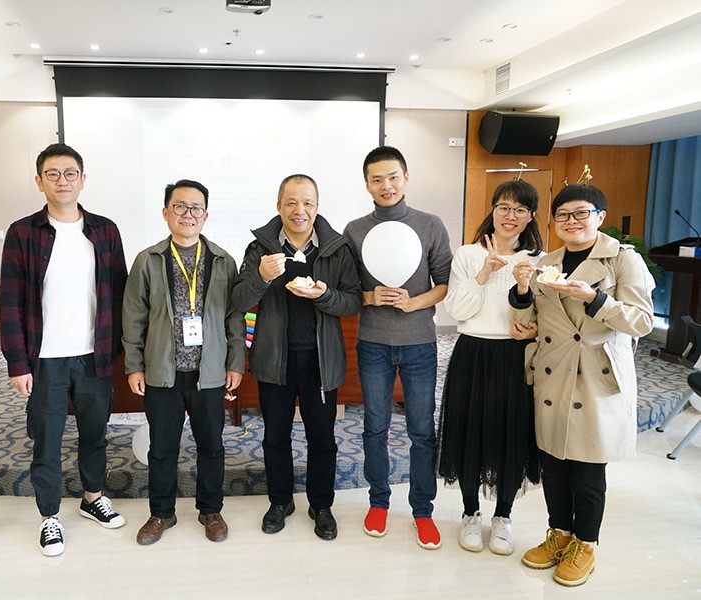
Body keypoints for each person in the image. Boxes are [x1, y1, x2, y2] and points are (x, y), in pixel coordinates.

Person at [510, 184, 654, 586]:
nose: (571, 221)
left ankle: (585, 544)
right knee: (553, 463)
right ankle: (559, 533)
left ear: (600, 216)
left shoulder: (623, 259)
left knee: (588, 467)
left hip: (595, 374)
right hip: (553, 370)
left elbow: (642, 321)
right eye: (563, 215)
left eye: (581, 213)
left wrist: (595, 299)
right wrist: (522, 297)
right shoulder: (547, 262)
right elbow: (532, 316)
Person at [0, 143, 128, 557]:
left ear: (82, 180)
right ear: (39, 182)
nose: (62, 181)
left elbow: (121, 295)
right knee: (47, 439)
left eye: (70, 173)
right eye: (52, 174)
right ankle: (49, 516)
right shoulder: (23, 232)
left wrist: (122, 352)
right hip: (44, 359)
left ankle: (93, 498)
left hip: (95, 354)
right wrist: (17, 362)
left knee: (95, 434)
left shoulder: (105, 230)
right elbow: (10, 302)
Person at [232, 174, 361, 541]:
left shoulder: (336, 249)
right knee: (275, 435)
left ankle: (321, 505)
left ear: (317, 207)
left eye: (307, 202)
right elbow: (239, 300)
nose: (299, 210)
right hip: (275, 358)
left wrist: (324, 295)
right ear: (278, 207)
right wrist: (260, 277)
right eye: (291, 202)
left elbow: (353, 301)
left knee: (323, 437)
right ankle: (280, 501)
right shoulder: (260, 248)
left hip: (321, 360)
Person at [123, 179, 245, 545]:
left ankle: (210, 510)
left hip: (209, 371)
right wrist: (134, 364)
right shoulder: (148, 260)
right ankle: (162, 512)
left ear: (205, 216)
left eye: (195, 208)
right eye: (179, 206)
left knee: (212, 445)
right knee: (162, 447)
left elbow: (234, 317)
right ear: (166, 212)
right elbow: (134, 316)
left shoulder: (223, 260)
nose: (187, 214)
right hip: (163, 371)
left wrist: (235, 362)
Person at [343, 146, 452, 549]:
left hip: (420, 342)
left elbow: (445, 283)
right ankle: (379, 502)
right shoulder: (354, 230)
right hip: (373, 343)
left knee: (422, 429)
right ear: (367, 184)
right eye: (377, 179)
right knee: (375, 426)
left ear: (406, 178)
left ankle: (422, 509)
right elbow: (347, 289)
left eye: (392, 177)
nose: (386, 185)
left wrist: (414, 302)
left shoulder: (430, 224)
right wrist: (370, 297)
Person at [438, 179, 543, 555]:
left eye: (520, 209)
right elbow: (456, 309)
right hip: (472, 353)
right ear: (493, 210)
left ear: (531, 216)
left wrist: (534, 328)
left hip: (516, 357)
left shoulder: (537, 260)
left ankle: (503, 517)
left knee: (511, 434)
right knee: (469, 432)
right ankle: (470, 514)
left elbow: (545, 315)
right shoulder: (468, 254)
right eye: (504, 207)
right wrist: (484, 272)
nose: (510, 216)